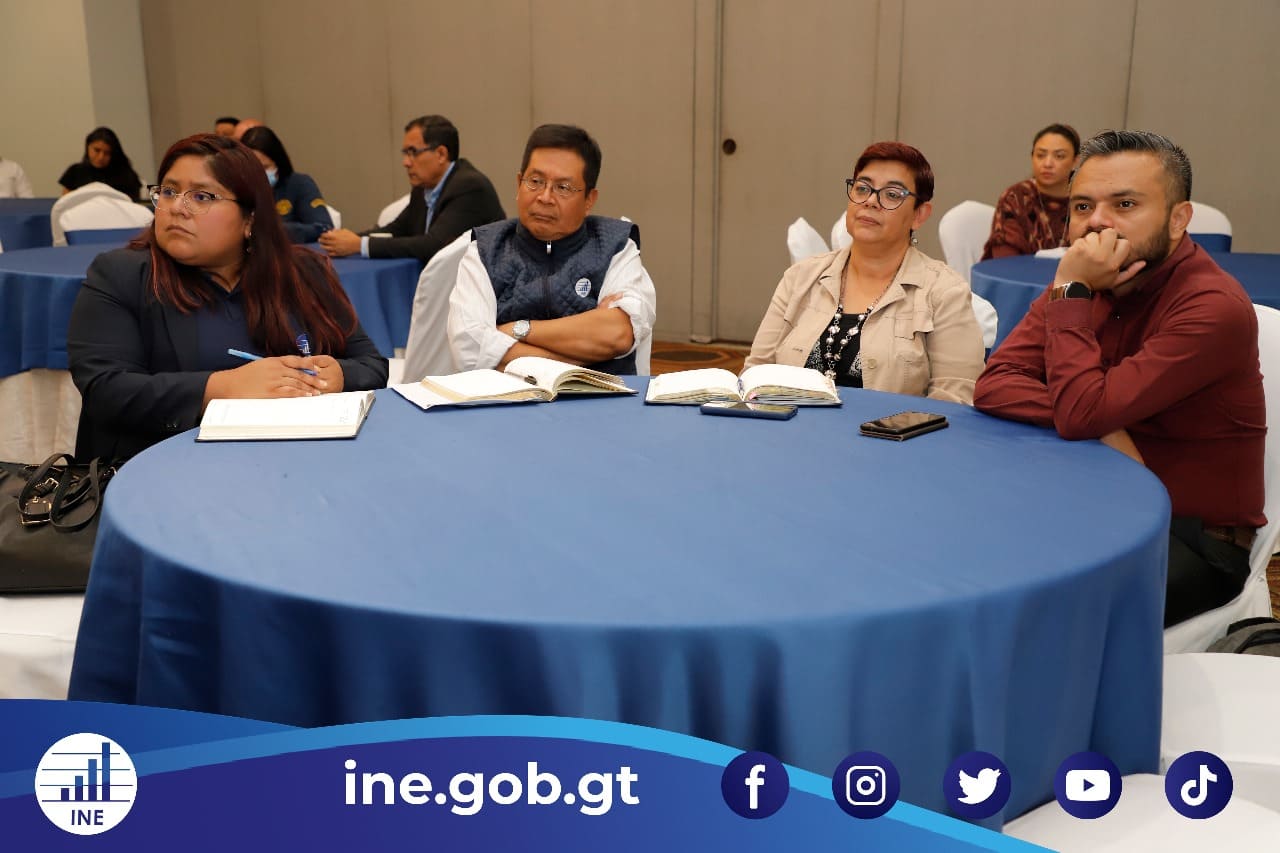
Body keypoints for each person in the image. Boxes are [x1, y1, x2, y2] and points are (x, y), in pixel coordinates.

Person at [973, 129, 1265, 627]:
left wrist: (1070, 294)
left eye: (1125, 204)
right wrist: (1107, 429)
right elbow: (996, 382)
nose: (1097, 222)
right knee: (965, 549)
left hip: (1186, 537)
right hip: (1089, 497)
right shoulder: (1091, 278)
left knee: (1024, 608)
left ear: (1179, 219)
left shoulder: (1212, 306)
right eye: (1083, 206)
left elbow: (1082, 413)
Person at [67, 133, 387, 462]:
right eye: (169, 191)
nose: (177, 208)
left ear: (250, 219)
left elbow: (371, 364)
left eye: (201, 196)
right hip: (164, 467)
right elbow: (106, 389)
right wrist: (223, 387)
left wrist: (336, 376)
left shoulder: (303, 272)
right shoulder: (121, 274)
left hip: (294, 462)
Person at [745, 141, 984, 403]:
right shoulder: (801, 277)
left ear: (919, 214)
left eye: (892, 194)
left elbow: (956, 397)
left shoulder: (944, 292)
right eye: (862, 188)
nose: (871, 201)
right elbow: (756, 373)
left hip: (893, 429)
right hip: (791, 424)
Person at [448, 124, 656, 374]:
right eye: (535, 182)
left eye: (563, 187)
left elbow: (617, 334)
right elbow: (470, 352)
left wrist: (518, 329)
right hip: (511, 397)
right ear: (519, 184)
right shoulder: (485, 250)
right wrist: (591, 354)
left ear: (589, 200)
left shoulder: (616, 247)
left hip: (599, 396)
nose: (545, 197)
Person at [318, 115, 504, 265]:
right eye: (405, 153)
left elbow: (433, 245)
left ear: (441, 154)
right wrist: (349, 239)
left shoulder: (469, 187)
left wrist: (360, 245)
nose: (406, 162)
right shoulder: (424, 186)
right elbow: (398, 229)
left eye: (413, 152)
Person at [981, 124, 1080, 260]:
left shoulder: (1084, 201)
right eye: (1040, 155)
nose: (1047, 163)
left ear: (1075, 161)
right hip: (1018, 273)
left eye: (1059, 156)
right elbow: (1004, 260)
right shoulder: (1016, 198)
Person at [240, 125, 334, 244]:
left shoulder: (299, 184)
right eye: (252, 168)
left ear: (278, 162)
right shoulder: (234, 188)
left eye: (265, 167)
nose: (259, 174)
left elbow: (324, 228)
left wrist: (274, 230)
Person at [58, 127, 143, 200]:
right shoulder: (74, 172)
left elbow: (132, 205)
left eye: (107, 153)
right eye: (97, 150)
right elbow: (65, 202)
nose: (101, 157)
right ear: (88, 147)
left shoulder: (126, 176)